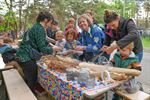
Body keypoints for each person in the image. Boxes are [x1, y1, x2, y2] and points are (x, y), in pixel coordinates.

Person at [16, 11, 60, 93]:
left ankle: (30, 92)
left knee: (28, 77)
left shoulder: (37, 26)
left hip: (22, 55)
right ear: (46, 20)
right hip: (26, 57)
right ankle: (29, 95)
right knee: (32, 80)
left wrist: (52, 45)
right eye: (50, 22)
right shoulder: (40, 28)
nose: (50, 24)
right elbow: (43, 48)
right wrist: (53, 49)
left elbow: (41, 40)